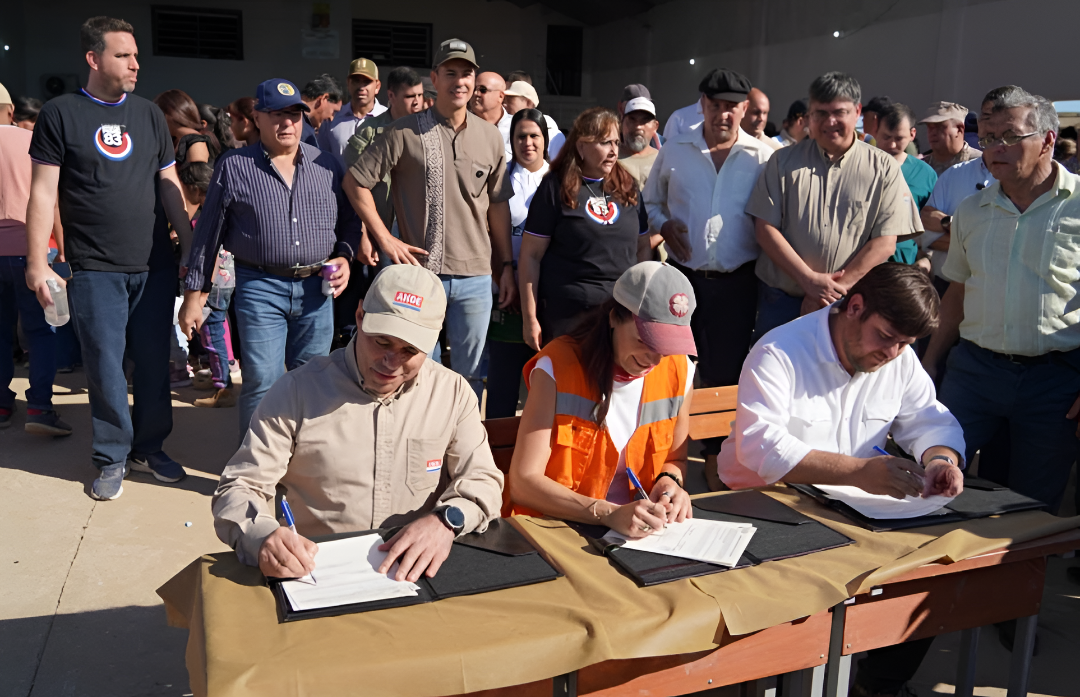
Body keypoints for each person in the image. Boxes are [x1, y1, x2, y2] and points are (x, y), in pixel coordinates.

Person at [718, 263, 966, 697]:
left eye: (905, 344)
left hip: (854, 507)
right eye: (886, 337)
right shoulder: (780, 350)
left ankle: (879, 685)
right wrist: (859, 473)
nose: (892, 353)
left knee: (932, 572)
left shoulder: (899, 358)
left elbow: (929, 418)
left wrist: (940, 459)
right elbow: (758, 447)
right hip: (762, 504)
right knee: (807, 596)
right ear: (854, 307)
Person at [212, 264, 503, 582]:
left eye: (409, 350)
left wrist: (446, 522)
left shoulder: (453, 393)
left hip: (416, 574)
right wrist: (264, 538)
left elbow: (483, 481)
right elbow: (240, 487)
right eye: (382, 342)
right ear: (360, 316)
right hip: (318, 576)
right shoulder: (298, 391)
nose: (391, 363)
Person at [24, 16, 192, 500]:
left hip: (154, 265)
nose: (135, 63)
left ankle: (149, 448)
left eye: (136, 55)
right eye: (123, 55)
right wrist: (38, 263)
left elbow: (169, 184)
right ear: (94, 59)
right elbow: (42, 193)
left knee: (155, 364)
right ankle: (112, 456)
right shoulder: (61, 113)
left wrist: (188, 246)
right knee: (105, 365)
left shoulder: (148, 115)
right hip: (94, 267)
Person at [923, 85, 1080, 514]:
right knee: (933, 479)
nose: (995, 148)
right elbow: (958, 289)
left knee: (1031, 507)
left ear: (1047, 139)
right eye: (989, 138)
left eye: (1010, 136)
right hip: (974, 373)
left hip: (1055, 382)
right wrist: (932, 359)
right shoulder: (972, 210)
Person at [177, 78, 360, 437]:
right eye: (276, 114)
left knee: (313, 381)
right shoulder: (235, 166)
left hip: (315, 289)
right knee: (262, 379)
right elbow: (208, 233)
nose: (287, 123)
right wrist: (193, 297)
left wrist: (345, 258)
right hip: (259, 286)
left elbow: (351, 223)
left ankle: (302, 464)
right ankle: (253, 471)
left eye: (294, 114)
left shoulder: (328, 165)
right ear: (257, 117)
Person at [346, 39, 516, 401]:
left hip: (475, 278)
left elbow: (497, 205)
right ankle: (416, 451)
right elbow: (355, 181)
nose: (460, 81)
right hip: (420, 275)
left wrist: (505, 266)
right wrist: (384, 239)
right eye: (450, 73)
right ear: (434, 79)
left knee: (468, 377)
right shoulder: (403, 131)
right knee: (416, 373)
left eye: (467, 74)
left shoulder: (491, 137)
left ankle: (457, 450)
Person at [643, 67, 774, 490]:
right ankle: (663, 451)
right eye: (715, 106)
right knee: (674, 366)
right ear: (703, 105)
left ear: (744, 109)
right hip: (683, 279)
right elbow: (650, 200)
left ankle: (716, 455)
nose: (723, 115)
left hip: (738, 281)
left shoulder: (762, 156)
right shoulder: (677, 150)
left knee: (726, 371)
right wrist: (665, 224)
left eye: (731, 107)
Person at [509, 261, 696, 536]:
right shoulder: (556, 367)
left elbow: (675, 460)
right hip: (555, 530)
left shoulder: (681, 370)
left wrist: (670, 484)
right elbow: (523, 482)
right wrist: (607, 513)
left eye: (667, 346)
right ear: (613, 317)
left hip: (639, 534)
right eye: (645, 341)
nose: (655, 360)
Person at [747, 72, 909, 340]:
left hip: (848, 304)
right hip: (782, 301)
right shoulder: (781, 162)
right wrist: (808, 281)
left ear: (857, 112)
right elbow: (764, 228)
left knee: (838, 378)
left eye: (839, 112)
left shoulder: (884, 168)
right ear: (809, 115)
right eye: (820, 113)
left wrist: (830, 291)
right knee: (774, 374)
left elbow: (885, 242)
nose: (829, 122)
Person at [518, 106, 651, 348]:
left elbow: (643, 248)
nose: (613, 151)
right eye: (604, 143)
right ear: (581, 146)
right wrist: (530, 319)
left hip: (619, 315)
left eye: (616, 142)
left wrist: (638, 301)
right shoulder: (554, 187)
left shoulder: (628, 186)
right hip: (567, 316)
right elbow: (530, 256)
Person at [0, 85, 70, 435]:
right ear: (11, 111)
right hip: (33, 252)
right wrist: (64, 247)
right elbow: (52, 200)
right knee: (41, 332)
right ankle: (40, 407)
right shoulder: (28, 142)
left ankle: (1, 403)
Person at [485, 108, 550, 419]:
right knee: (502, 387)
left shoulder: (560, 180)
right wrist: (503, 275)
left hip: (547, 297)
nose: (528, 143)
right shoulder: (500, 181)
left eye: (534, 136)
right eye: (520, 136)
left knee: (545, 389)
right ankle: (498, 460)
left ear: (545, 140)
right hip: (506, 291)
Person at [874, 103, 937, 265]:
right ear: (875, 131)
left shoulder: (925, 174)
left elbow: (931, 224)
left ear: (912, 134)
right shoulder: (860, 166)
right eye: (886, 137)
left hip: (904, 263)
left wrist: (927, 259)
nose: (892, 145)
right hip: (862, 260)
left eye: (899, 138)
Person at [316, 57, 386, 164]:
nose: (361, 87)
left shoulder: (388, 118)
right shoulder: (333, 118)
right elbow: (321, 160)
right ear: (348, 83)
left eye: (366, 82)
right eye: (356, 81)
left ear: (377, 86)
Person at [501, 80, 565, 160]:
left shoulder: (549, 127)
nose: (504, 104)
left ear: (528, 102)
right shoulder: (502, 125)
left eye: (510, 100)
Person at [919, 101, 981, 175]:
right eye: (929, 127)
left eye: (940, 127)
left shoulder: (979, 163)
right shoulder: (920, 166)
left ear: (959, 129)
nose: (933, 132)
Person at [617, 96, 660, 192]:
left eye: (645, 120)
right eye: (632, 120)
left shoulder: (663, 160)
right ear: (621, 123)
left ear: (655, 126)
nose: (638, 126)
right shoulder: (610, 159)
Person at [299, 73, 343, 147]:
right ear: (324, 99)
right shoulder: (296, 122)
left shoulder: (306, 124)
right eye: (334, 112)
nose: (331, 118)